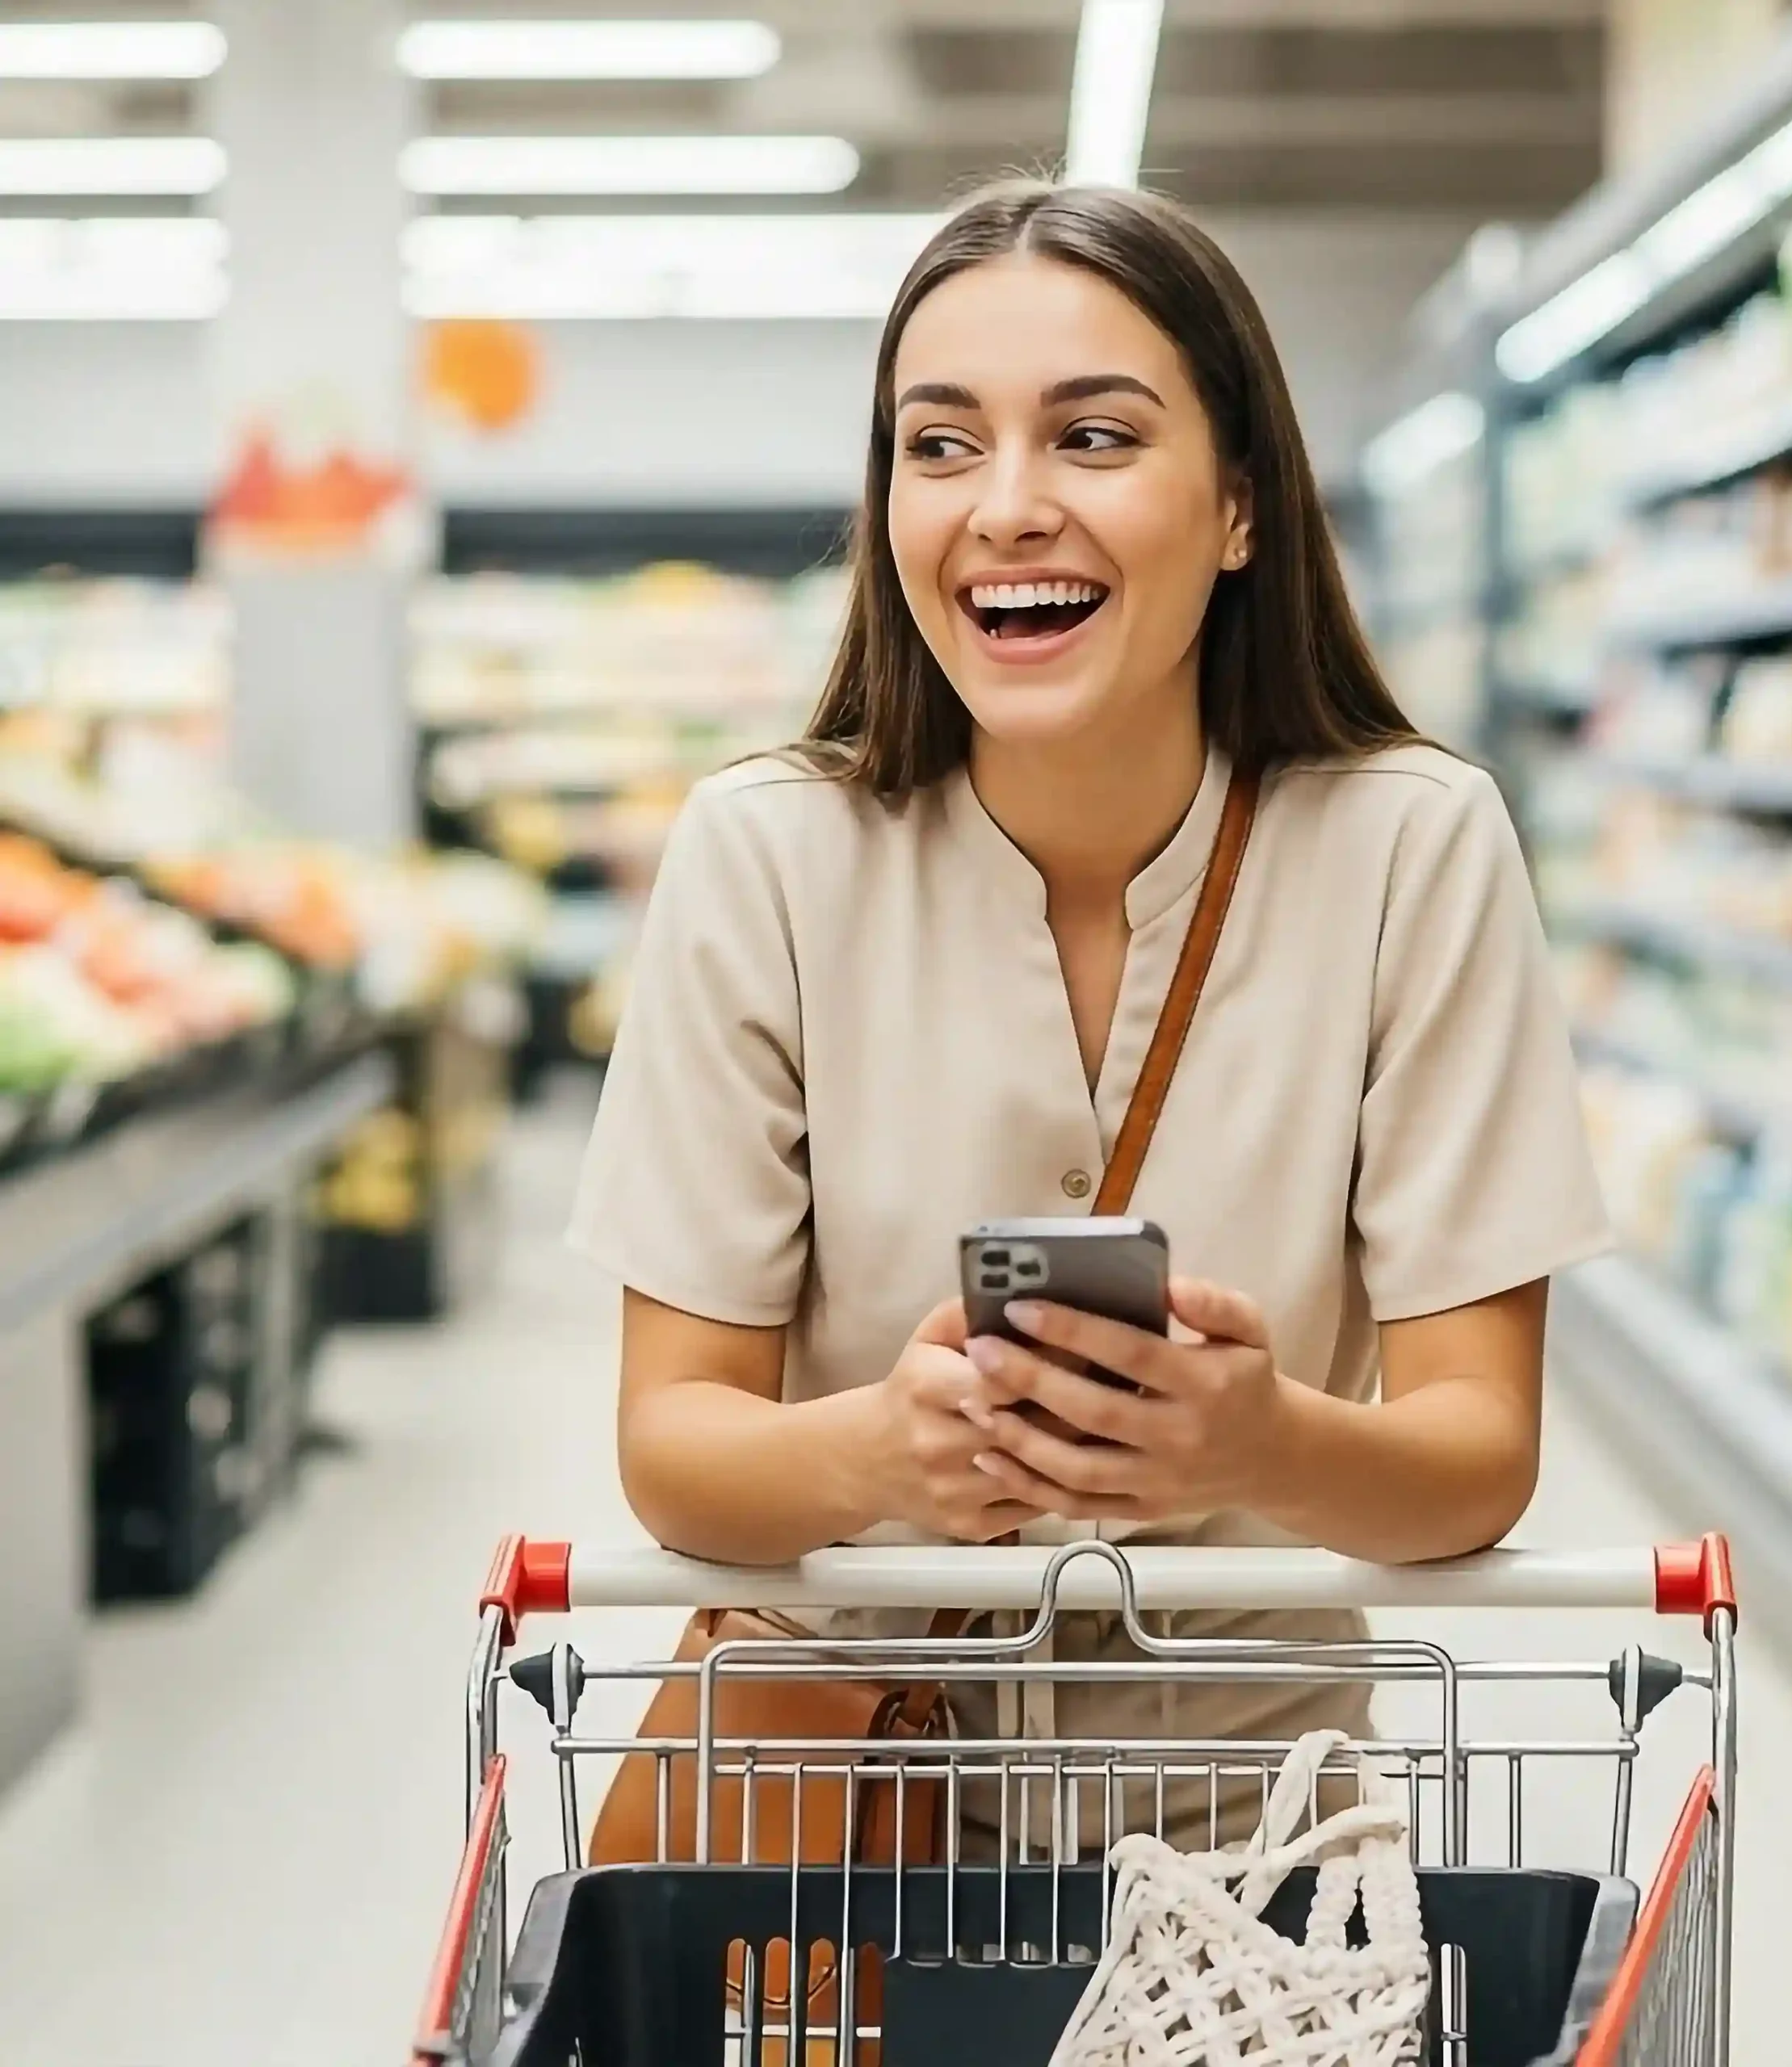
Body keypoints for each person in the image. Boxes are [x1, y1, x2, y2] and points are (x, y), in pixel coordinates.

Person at [568, 179, 1614, 1845]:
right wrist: (886, 1452)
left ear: (1240, 509)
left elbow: (1474, 1454)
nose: (1005, 505)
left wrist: (1253, 1440)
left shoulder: (1411, 845)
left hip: (1252, 1862)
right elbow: (675, 1442)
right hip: (837, 1817)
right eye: (939, 443)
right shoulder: (764, 854)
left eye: (1094, 438)